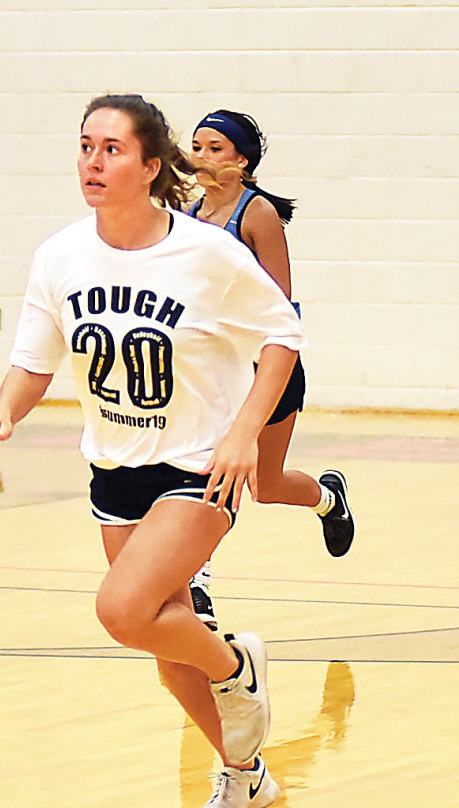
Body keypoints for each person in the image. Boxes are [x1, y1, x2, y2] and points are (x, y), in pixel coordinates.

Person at [0, 94, 298, 808]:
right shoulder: (59, 255)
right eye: (85, 146)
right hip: (115, 467)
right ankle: (244, 778)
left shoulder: (207, 254)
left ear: (152, 167)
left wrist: (246, 430)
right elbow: (32, 358)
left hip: (197, 466)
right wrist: (2, 410)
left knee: (122, 611)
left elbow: (282, 335)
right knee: (163, 636)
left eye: (112, 149)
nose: (93, 160)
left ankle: (237, 670)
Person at [183, 109, 353, 629]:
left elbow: (281, 303)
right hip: (214, 369)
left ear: (243, 161)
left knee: (266, 484)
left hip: (265, 367)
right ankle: (197, 581)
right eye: (198, 146)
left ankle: (328, 498)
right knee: (209, 473)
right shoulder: (187, 216)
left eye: (217, 148)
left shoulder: (256, 214)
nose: (204, 158)